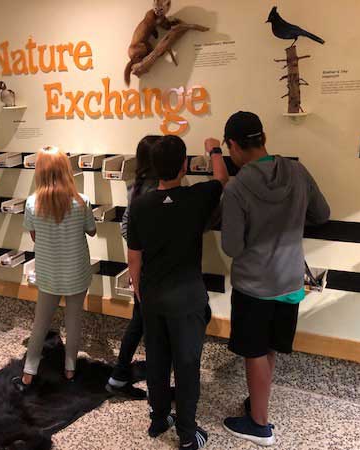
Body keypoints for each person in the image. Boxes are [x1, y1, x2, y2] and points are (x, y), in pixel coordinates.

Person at [219, 111, 330, 446]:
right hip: (290, 281)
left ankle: (259, 424)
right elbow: (322, 214)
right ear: (264, 138)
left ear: (234, 146)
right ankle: (259, 403)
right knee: (269, 347)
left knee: (253, 350)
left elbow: (232, 246)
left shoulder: (237, 188)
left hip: (254, 285)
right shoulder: (296, 171)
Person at [127, 135, 229, 449]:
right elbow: (221, 178)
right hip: (187, 298)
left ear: (154, 168)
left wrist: (141, 294)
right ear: (184, 166)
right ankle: (187, 433)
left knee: (157, 359)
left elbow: (134, 257)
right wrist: (213, 149)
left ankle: (159, 419)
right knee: (187, 364)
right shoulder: (196, 197)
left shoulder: (140, 204)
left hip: (153, 297)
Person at [12, 147, 97, 391]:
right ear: (66, 170)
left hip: (48, 272)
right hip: (77, 271)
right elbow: (91, 231)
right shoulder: (82, 201)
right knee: (74, 320)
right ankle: (70, 368)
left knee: (40, 322)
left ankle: (29, 371)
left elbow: (35, 236)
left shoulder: (31, 203)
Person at [106, 136, 160, 400]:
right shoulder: (154, 191)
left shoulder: (135, 187)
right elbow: (130, 227)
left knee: (138, 321)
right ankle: (151, 383)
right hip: (153, 267)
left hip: (143, 265)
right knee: (146, 325)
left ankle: (118, 375)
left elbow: (127, 228)